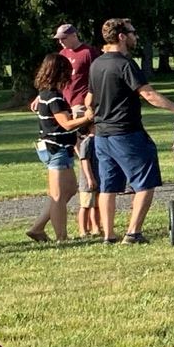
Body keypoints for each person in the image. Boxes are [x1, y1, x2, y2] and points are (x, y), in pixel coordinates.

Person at [86, 18, 174, 244]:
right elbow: (148, 95)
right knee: (145, 181)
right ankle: (133, 233)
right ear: (121, 36)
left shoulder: (96, 64)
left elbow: (89, 99)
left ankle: (108, 235)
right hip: (126, 133)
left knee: (108, 187)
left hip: (102, 135)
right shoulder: (125, 64)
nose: (136, 36)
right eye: (133, 32)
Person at [26, 53, 93, 243]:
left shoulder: (45, 94)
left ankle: (38, 228)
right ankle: (61, 237)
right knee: (57, 195)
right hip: (56, 149)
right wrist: (88, 118)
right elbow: (66, 124)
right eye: (67, 71)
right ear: (59, 72)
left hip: (57, 148)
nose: (70, 75)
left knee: (70, 189)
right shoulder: (53, 96)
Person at [54, 22, 101, 236]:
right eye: (59, 39)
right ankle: (86, 177)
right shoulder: (62, 54)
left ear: (74, 35)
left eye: (64, 37)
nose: (62, 42)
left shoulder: (89, 52)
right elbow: (56, 78)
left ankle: (91, 175)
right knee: (76, 145)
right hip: (66, 104)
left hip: (83, 105)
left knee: (87, 143)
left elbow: (97, 77)